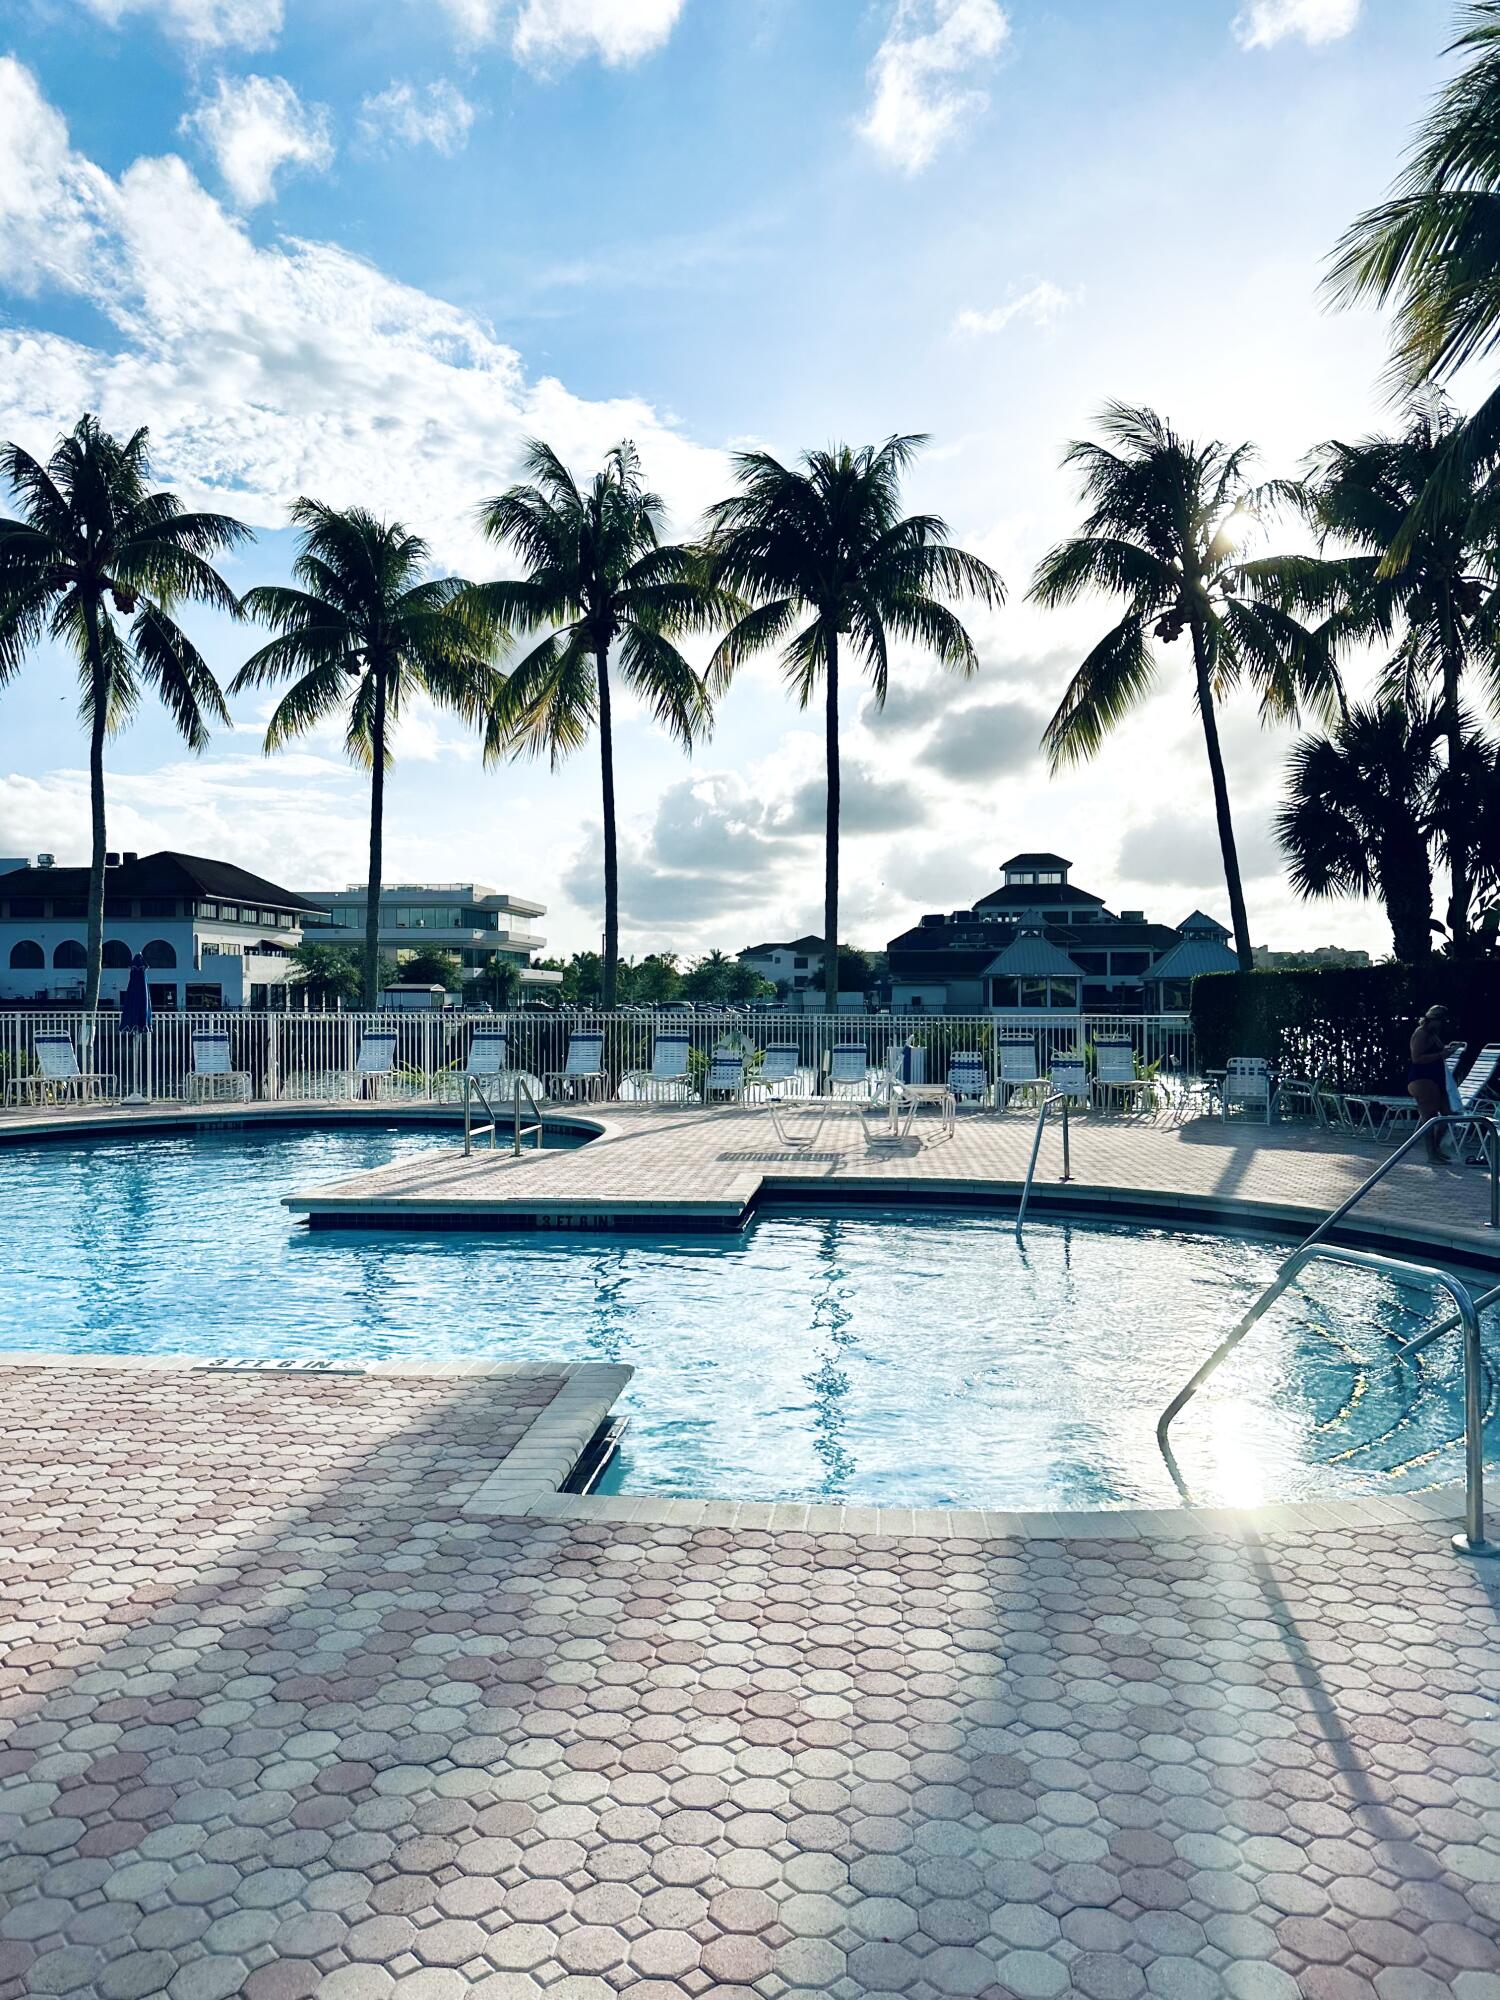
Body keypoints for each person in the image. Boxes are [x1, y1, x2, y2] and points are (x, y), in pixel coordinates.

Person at [1408, 1006, 1458, 1160]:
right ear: (1434, 1019)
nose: (1443, 1024)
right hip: (1422, 1079)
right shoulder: (1421, 1033)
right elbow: (1417, 1058)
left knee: (1448, 1114)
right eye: (1441, 1021)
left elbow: (1437, 1052)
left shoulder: (1433, 1034)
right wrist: (1441, 1054)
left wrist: (1447, 1050)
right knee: (1429, 1117)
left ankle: (1435, 1149)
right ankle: (1431, 1154)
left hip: (1436, 1079)